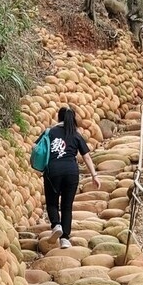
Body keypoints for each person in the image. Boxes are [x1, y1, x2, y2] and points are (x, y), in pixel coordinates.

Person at [40, 106, 101, 248]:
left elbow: (35, 148)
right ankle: (65, 239)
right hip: (71, 172)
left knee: (52, 203)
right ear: (73, 119)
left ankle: (56, 225)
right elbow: (86, 157)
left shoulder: (50, 132)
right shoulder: (76, 134)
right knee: (67, 206)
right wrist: (94, 175)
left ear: (59, 118)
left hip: (53, 171)